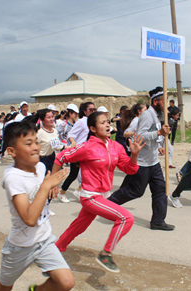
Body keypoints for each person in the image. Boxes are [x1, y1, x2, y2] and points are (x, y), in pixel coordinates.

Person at [0, 120, 74, 291]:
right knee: (4, 287)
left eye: (36, 141)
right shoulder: (13, 178)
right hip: (20, 246)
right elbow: (29, 218)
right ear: (12, 151)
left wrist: (51, 186)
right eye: (28, 143)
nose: (35, 147)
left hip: (44, 239)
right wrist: (46, 187)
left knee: (66, 282)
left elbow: (40, 193)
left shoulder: (40, 167)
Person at [53, 112, 144, 273]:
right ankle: (105, 254)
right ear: (93, 129)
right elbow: (61, 157)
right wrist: (53, 183)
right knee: (126, 218)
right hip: (90, 196)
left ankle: (55, 249)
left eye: (108, 122)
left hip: (103, 195)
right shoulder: (87, 147)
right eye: (103, 123)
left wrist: (134, 155)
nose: (108, 125)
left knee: (79, 226)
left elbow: (129, 169)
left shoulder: (116, 147)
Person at [108, 86, 175, 231]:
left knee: (161, 190)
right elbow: (140, 135)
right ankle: (108, 205)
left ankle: (158, 221)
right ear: (156, 102)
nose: (167, 104)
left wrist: (159, 144)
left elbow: (155, 135)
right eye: (164, 101)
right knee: (135, 191)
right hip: (142, 163)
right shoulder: (147, 115)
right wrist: (158, 132)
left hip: (154, 161)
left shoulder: (158, 116)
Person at [59, 102, 95, 200]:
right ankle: (62, 192)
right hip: (79, 151)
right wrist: (73, 142)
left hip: (88, 152)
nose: (93, 111)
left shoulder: (93, 122)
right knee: (73, 175)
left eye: (94, 109)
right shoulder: (82, 121)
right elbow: (71, 134)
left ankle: (80, 191)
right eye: (90, 110)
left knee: (89, 173)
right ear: (84, 111)